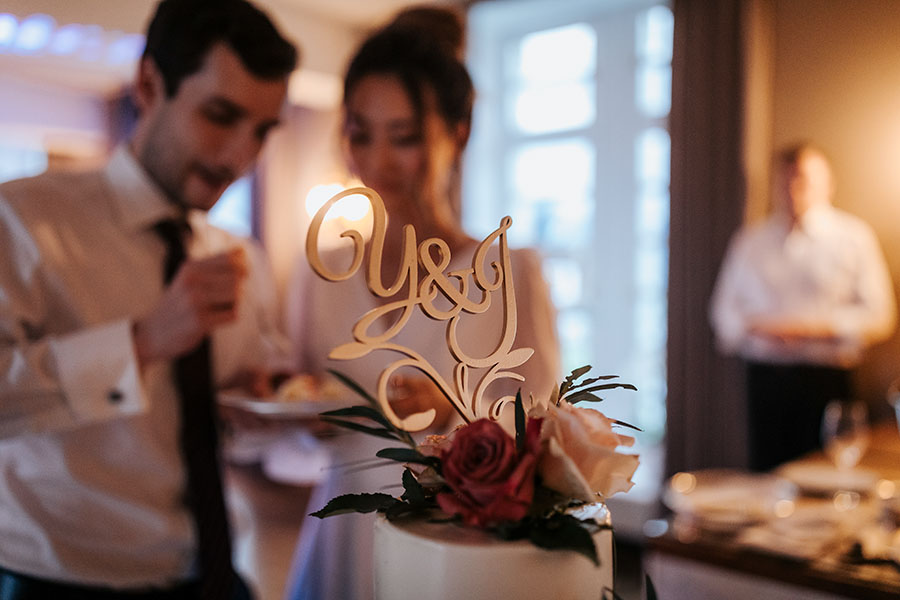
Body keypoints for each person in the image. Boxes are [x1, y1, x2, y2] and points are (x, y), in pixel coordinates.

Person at [0, 1, 297, 598]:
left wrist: (263, 400)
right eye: (220, 115)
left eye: (262, 130)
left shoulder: (242, 258)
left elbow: (238, 412)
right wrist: (141, 343)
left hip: (213, 572)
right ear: (148, 84)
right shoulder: (22, 220)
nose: (242, 156)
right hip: (59, 578)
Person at [283, 9, 560, 600]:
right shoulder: (321, 272)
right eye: (360, 133)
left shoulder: (509, 274)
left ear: (457, 132)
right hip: (338, 534)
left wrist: (453, 417)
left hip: (453, 545)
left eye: (404, 137)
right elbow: (289, 433)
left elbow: (545, 443)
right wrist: (302, 417)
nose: (377, 161)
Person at [710, 142, 896, 472]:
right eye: (785, 180)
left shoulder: (852, 237)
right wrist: (760, 328)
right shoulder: (752, 240)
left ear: (827, 183)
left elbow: (881, 315)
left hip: (826, 381)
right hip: (766, 381)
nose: (793, 189)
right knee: (767, 476)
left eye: (803, 180)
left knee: (828, 474)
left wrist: (816, 329)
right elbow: (723, 313)